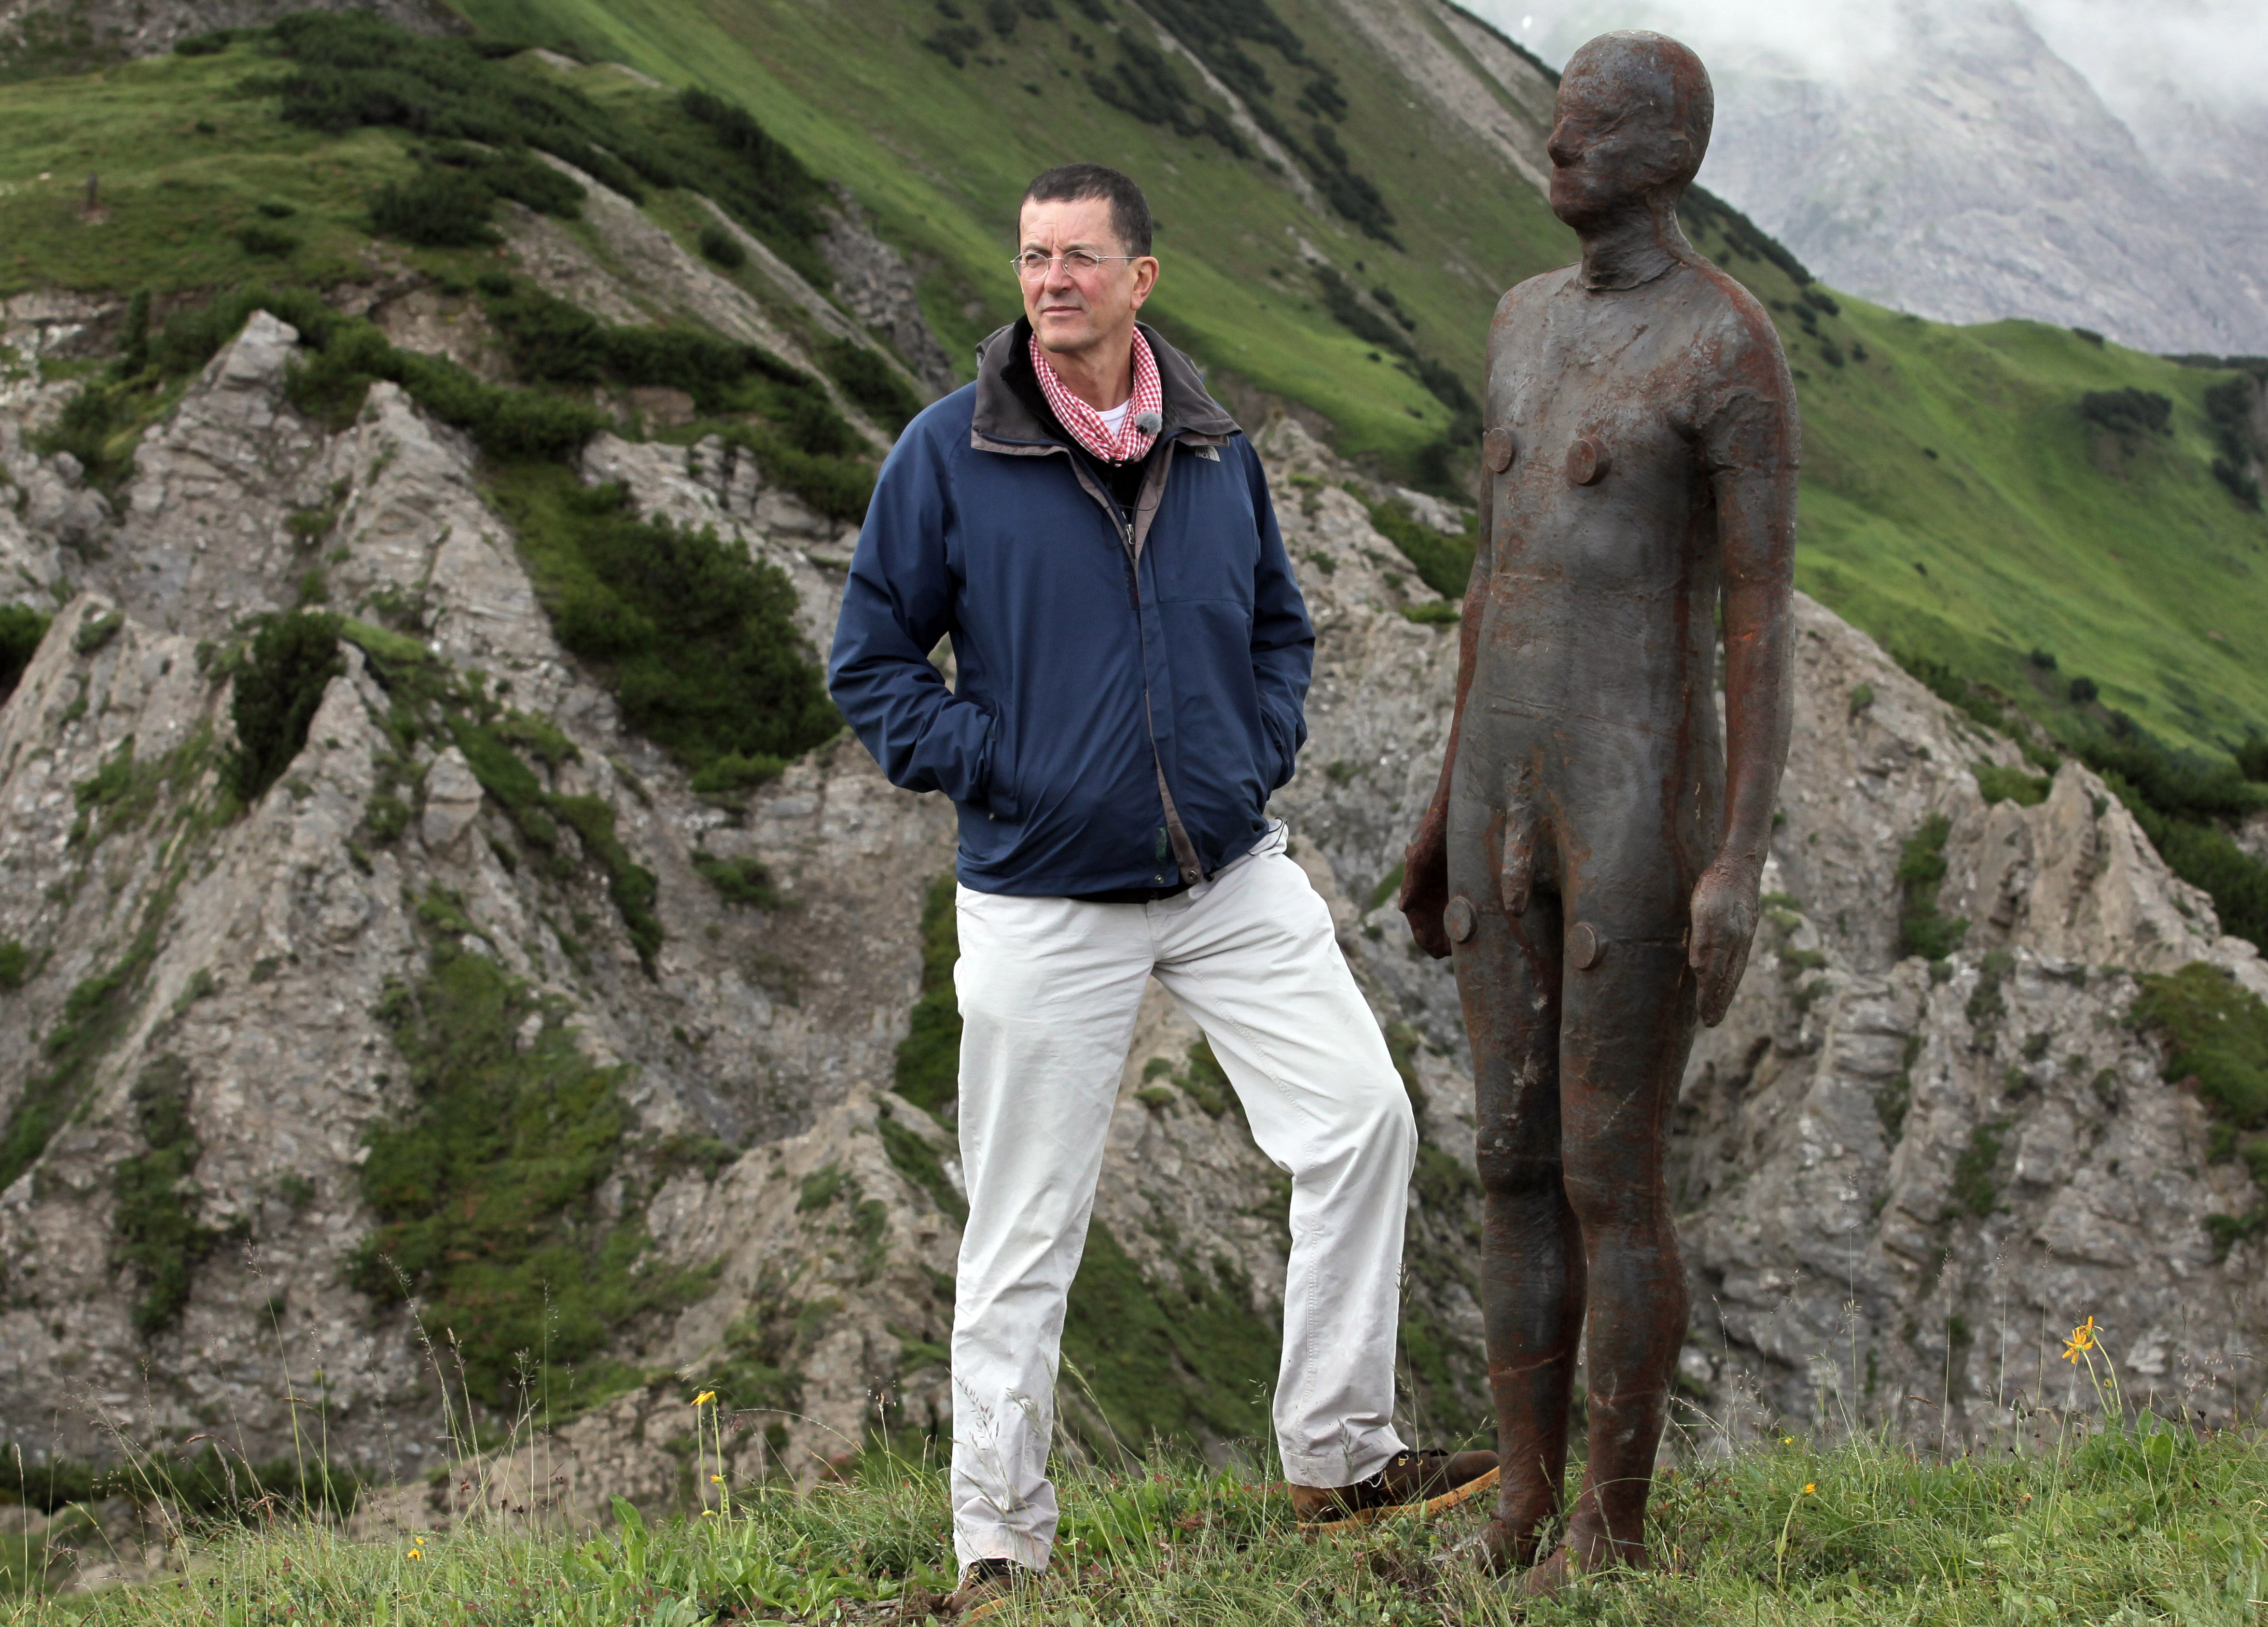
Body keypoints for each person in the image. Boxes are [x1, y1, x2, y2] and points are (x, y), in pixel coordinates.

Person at [830, 163, 1496, 1618]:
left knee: (1364, 1119)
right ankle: (998, 1543)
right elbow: (869, 661)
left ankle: (1337, 1457)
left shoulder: (1211, 448)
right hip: (1043, 892)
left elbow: (1279, 625)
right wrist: (996, 765)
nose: (1049, 279)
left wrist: (1253, 748)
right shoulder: (949, 454)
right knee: (1025, 1224)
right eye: (1030, 255)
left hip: (1224, 870)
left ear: (1143, 277)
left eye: (1078, 257)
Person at [1396, 32, 1798, 1595]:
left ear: (1671, 148)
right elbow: (1487, 582)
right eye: (1560, 111)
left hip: (1639, 803)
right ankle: (1520, 1503)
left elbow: (1761, 617)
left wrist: (1737, 856)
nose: (1557, 136)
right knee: (1505, 1159)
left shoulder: (1726, 347)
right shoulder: (1516, 323)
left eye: (1596, 121)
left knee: (1605, 1169)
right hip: (1505, 777)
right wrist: (1441, 807)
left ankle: (1609, 1535)